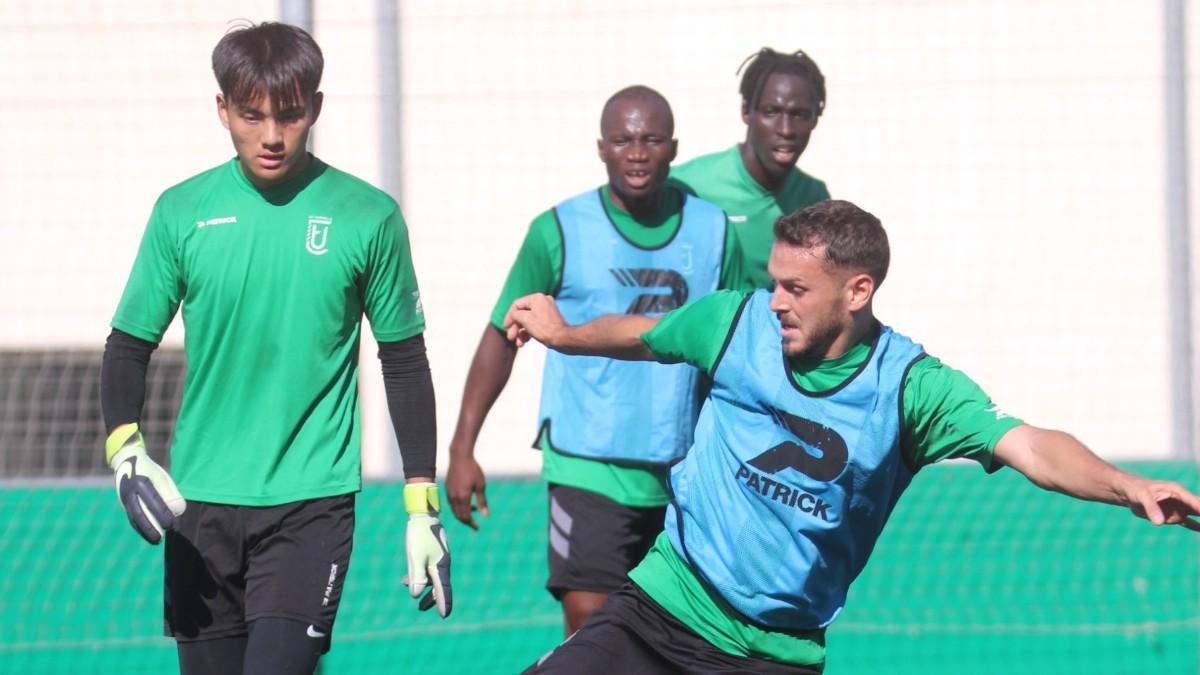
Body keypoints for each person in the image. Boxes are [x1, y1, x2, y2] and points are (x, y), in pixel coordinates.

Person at [506, 199, 1200, 674]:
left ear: (858, 290)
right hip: (658, 607)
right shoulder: (735, 321)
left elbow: (1031, 445)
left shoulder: (910, 388)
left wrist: (1126, 485)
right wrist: (564, 333)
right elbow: (645, 333)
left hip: (772, 652)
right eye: (775, 283)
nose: (775, 300)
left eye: (797, 289)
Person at [99, 22, 451, 675]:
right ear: (222, 110)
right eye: (251, 115)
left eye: (289, 116)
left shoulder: (367, 216)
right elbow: (127, 345)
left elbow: (403, 358)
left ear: (314, 108)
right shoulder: (182, 211)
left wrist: (421, 505)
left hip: (309, 505)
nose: (271, 135)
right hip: (199, 504)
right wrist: (126, 449)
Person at [445, 85, 750, 634]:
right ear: (602, 148)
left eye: (651, 139)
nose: (637, 151)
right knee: (589, 616)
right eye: (623, 139)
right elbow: (501, 333)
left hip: (681, 467)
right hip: (588, 461)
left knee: (676, 631)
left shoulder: (714, 231)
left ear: (673, 148)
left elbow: (735, 348)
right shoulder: (558, 229)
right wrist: (463, 447)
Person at [672, 47, 831, 288]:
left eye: (799, 115)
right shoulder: (688, 185)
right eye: (771, 112)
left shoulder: (814, 198)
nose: (785, 129)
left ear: (815, 119)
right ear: (746, 111)